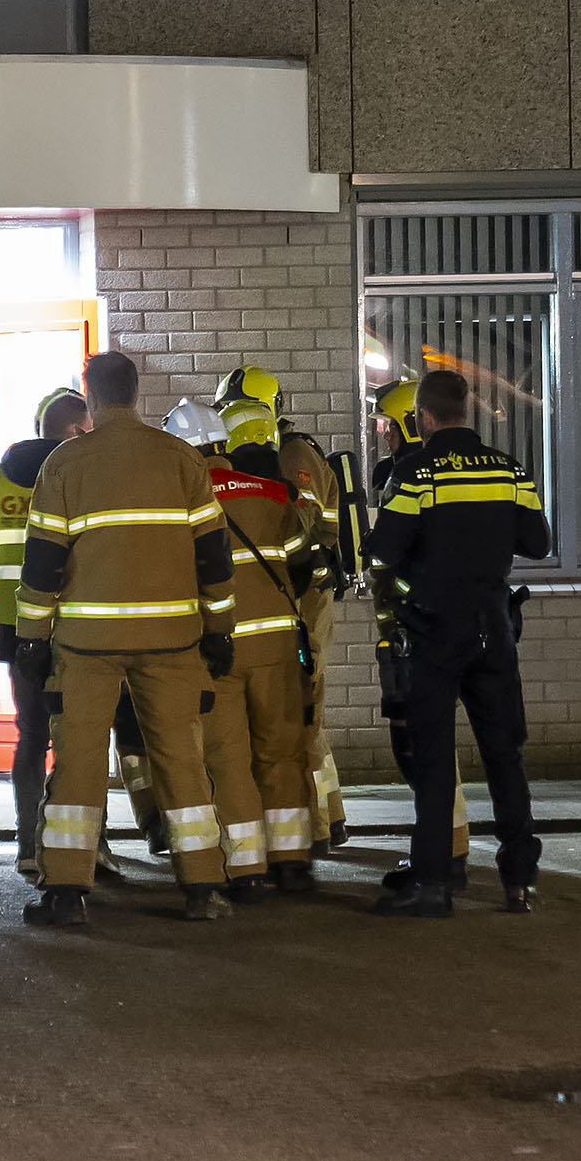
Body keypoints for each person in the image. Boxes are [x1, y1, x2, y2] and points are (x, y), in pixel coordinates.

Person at [17, 352, 236, 925]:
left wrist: (33, 640)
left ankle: (66, 892)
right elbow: (214, 558)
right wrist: (220, 630)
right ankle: (204, 887)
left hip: (87, 645)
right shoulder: (182, 459)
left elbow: (42, 566)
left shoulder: (65, 464)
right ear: (135, 393)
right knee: (182, 761)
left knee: (79, 762)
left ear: (89, 397)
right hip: (172, 641)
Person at [364, 370, 549, 916]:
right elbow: (538, 543)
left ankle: (432, 885)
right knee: (505, 758)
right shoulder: (509, 469)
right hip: (494, 631)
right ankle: (520, 881)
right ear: (465, 412)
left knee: (435, 761)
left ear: (423, 418)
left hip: (433, 632)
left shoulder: (416, 473)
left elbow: (383, 551)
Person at [188, 398, 324, 897]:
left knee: (228, 759)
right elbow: (302, 564)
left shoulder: (186, 503)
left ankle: (246, 869)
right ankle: (291, 860)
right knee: (281, 751)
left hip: (217, 649)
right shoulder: (271, 492)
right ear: (223, 444)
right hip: (278, 647)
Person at [214, 365, 346, 853]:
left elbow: (302, 525)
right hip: (288, 596)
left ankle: (314, 828)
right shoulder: (269, 454)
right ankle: (325, 818)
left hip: (305, 597)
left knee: (300, 711)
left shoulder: (292, 454)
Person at [0, 387, 89, 876]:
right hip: (72, 625)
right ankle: (79, 847)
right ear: (73, 430)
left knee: (30, 734)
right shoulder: (75, 471)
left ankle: (27, 844)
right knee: (78, 737)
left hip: (15, 626)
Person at [368, 379, 473, 893]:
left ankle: (441, 859)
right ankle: (448, 850)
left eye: (387, 425)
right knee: (428, 744)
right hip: (435, 622)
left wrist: (397, 590)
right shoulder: (427, 470)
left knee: (417, 745)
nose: (383, 435)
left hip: (413, 626)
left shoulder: (410, 474)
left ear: (415, 422)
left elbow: (397, 555)